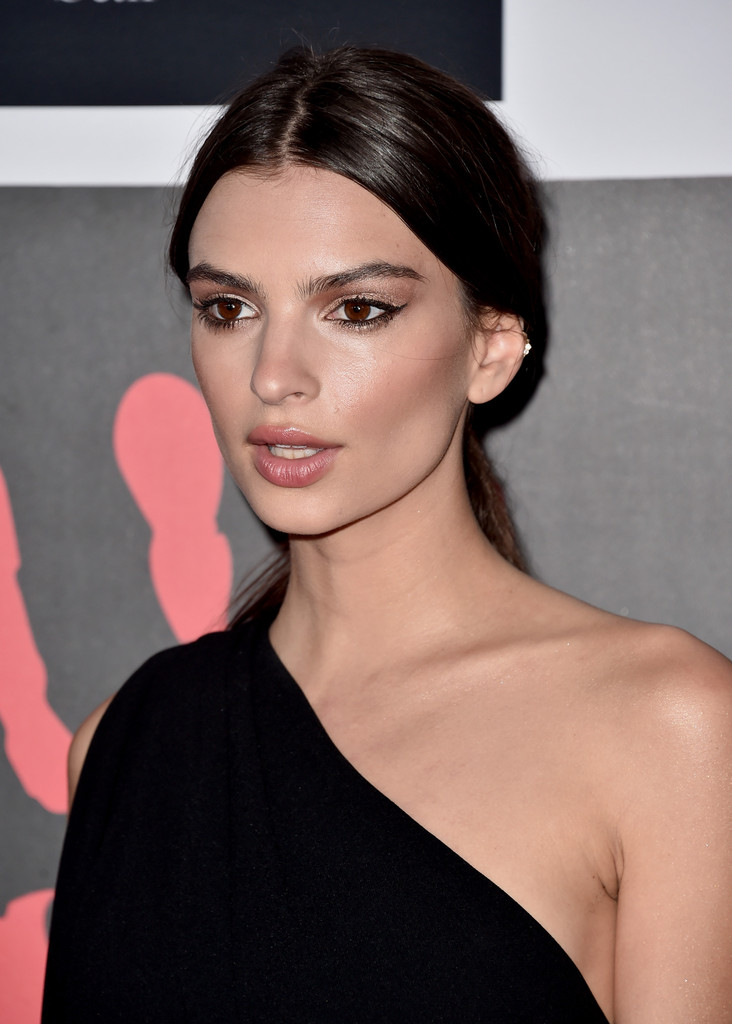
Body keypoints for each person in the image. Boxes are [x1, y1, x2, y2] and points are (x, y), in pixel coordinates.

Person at [42, 46, 732, 1023]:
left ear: (490, 347)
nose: (274, 374)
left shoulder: (668, 727)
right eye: (228, 308)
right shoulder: (125, 742)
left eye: (357, 309)